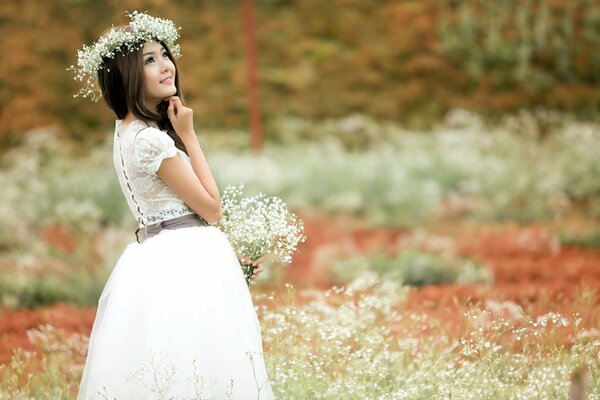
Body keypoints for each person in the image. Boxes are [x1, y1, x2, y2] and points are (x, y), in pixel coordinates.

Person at [70, 11, 276, 399]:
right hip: (185, 256)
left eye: (165, 54)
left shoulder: (125, 130)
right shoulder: (150, 140)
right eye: (150, 60)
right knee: (203, 360)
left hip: (154, 251)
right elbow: (212, 209)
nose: (166, 66)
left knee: (171, 359)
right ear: (127, 73)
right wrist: (189, 136)